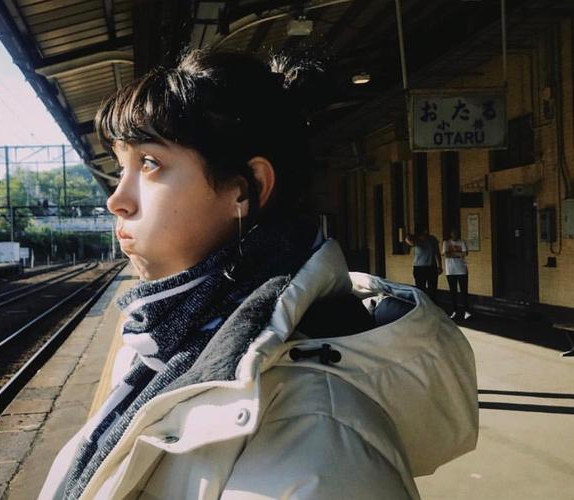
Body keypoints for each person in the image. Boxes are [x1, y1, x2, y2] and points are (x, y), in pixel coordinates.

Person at [39, 50, 478, 500]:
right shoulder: (159, 346)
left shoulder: (316, 436)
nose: (116, 200)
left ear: (245, 189)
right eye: (121, 169)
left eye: (149, 163)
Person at [404, 227, 442, 300]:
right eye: (423, 232)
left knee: (433, 289)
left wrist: (440, 266)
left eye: (426, 232)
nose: (425, 233)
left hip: (431, 266)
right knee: (420, 289)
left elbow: (437, 253)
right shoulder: (416, 240)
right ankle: (422, 303)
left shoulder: (432, 239)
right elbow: (409, 241)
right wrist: (408, 236)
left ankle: (432, 303)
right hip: (419, 267)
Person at [443, 228, 471, 320]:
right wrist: (459, 254)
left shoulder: (462, 242)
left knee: (464, 291)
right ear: (451, 234)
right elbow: (446, 255)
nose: (455, 234)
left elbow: (465, 253)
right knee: (453, 291)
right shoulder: (446, 243)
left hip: (462, 269)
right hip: (450, 270)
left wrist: (452, 254)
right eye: (453, 233)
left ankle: (466, 311)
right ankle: (454, 311)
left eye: (456, 233)